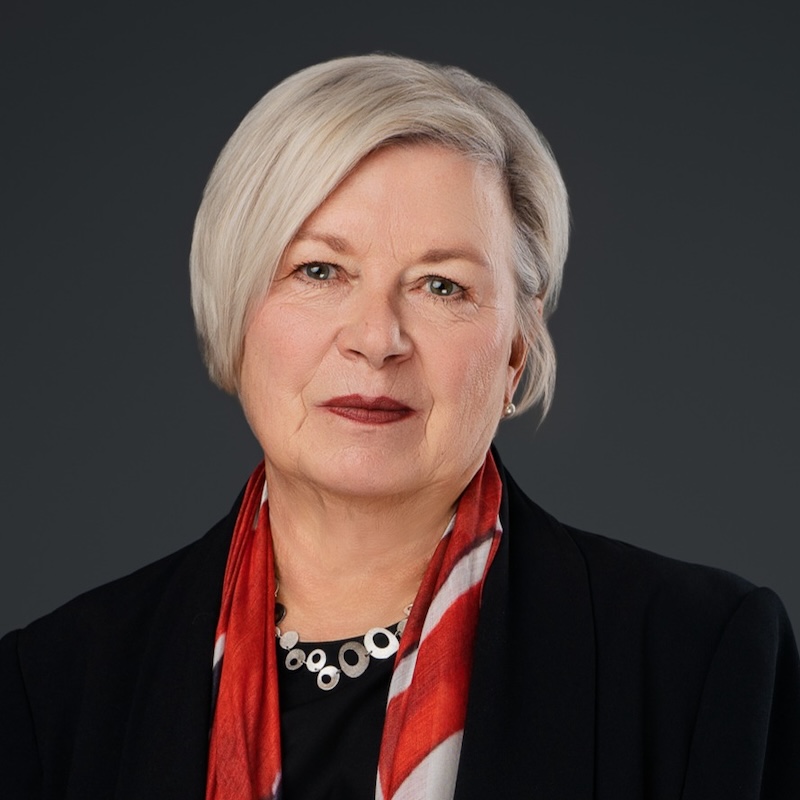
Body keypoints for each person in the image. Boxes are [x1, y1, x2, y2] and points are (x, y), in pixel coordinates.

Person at [1, 53, 798, 800]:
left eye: (442, 286)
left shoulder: (703, 663)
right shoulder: (53, 691)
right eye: (320, 270)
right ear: (235, 310)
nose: (376, 338)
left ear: (517, 346)